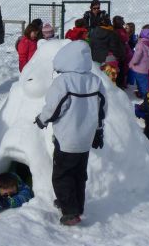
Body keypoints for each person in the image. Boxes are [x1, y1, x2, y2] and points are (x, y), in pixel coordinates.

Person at [34, 40, 106, 226]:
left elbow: (54, 106)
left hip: (67, 138)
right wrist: (99, 130)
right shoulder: (95, 81)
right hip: (85, 139)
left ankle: (69, 211)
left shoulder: (63, 82)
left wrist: (42, 119)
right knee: (79, 174)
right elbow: (102, 109)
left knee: (62, 175)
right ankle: (76, 205)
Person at [129, 28, 149, 99]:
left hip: (137, 68)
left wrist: (132, 63)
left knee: (141, 83)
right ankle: (141, 93)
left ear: (141, 35)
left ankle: (146, 97)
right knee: (143, 82)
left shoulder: (140, 44)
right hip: (145, 69)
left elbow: (137, 55)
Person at [113, 15, 132, 89]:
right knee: (122, 69)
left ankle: (119, 83)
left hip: (117, 52)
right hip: (121, 52)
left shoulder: (113, 29)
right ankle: (121, 84)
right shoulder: (120, 31)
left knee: (119, 68)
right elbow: (125, 39)